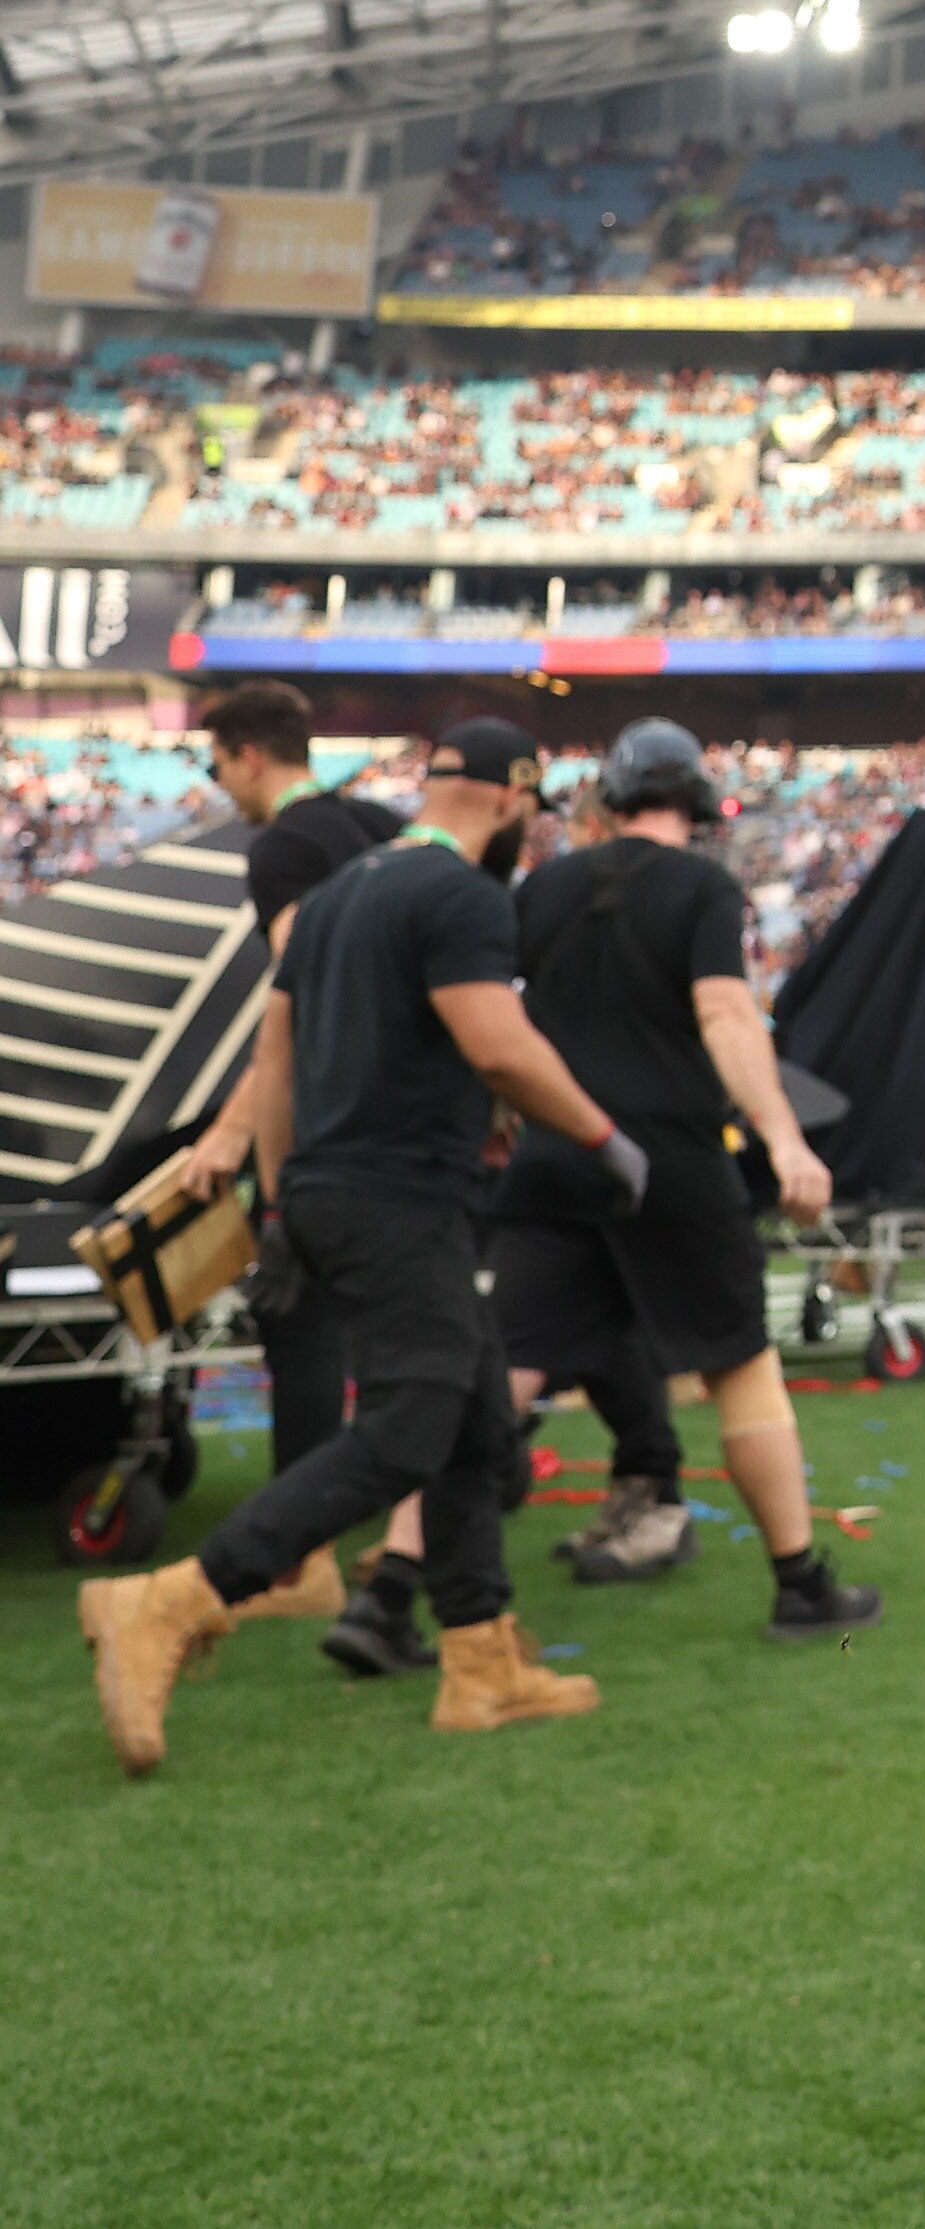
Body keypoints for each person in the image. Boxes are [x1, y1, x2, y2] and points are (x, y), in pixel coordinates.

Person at [83, 721, 641, 1771]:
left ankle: (481, 1659)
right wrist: (604, 1138)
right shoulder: (464, 895)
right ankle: (177, 1598)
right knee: (408, 1427)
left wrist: (282, 1203)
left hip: (333, 1191)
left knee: (476, 1426)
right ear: (512, 796)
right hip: (404, 1199)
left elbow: (277, 1055)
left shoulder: (338, 894)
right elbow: (498, 1044)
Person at [488, 718, 876, 1635]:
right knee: (740, 1362)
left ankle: (403, 1576)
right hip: (671, 1154)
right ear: (696, 801)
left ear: (613, 796)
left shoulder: (542, 887)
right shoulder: (702, 886)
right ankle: (799, 1583)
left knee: (508, 1365)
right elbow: (726, 1017)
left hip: (556, 1149)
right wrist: (785, 1140)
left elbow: (502, 1021)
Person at [170, 682, 405, 1647]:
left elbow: (304, 998)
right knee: (418, 1339)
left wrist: (237, 1131)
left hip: (337, 1125)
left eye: (216, 763)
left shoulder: (283, 848)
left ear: (249, 755)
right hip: (415, 1118)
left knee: (300, 1320)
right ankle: (419, 1541)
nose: (219, 784)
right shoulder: (380, 823)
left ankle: (303, 1559)